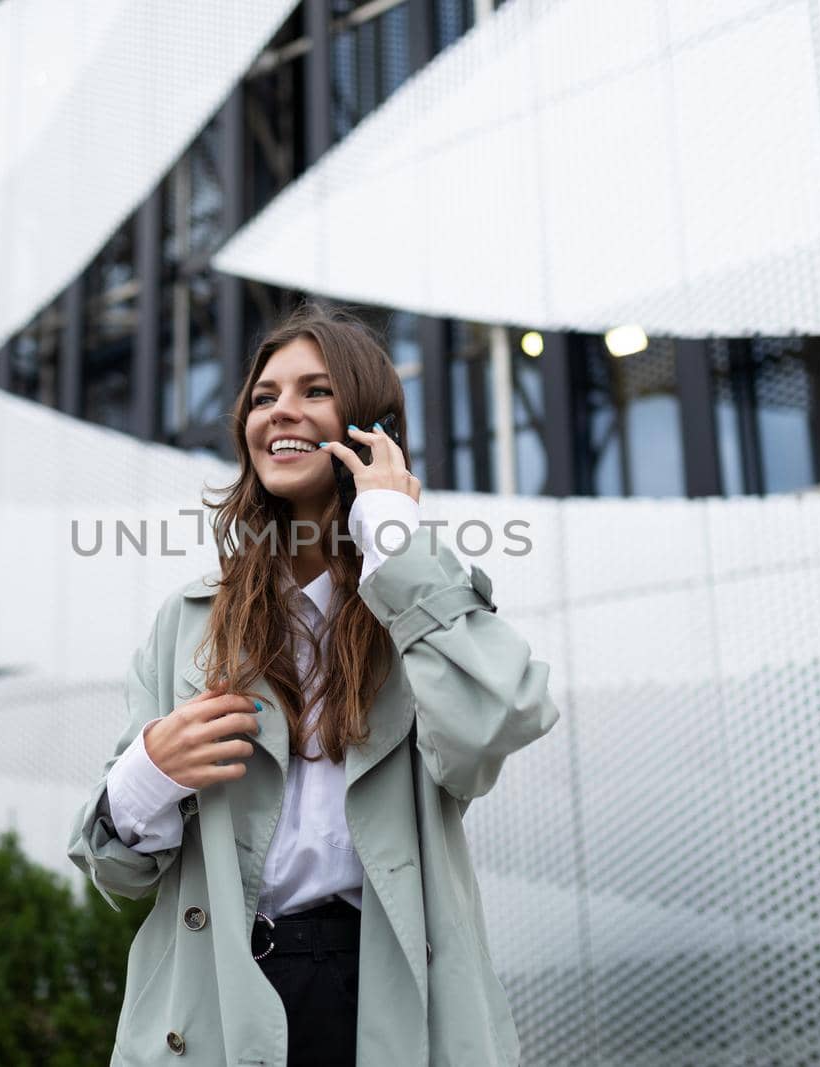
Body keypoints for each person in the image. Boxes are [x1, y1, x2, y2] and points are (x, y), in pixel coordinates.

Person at [68, 302, 560, 1066]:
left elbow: (495, 723)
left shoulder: (424, 602)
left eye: (314, 391)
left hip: (392, 994)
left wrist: (395, 544)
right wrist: (148, 772)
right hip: (220, 1004)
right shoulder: (189, 622)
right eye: (264, 397)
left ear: (370, 427)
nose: (280, 412)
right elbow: (116, 869)